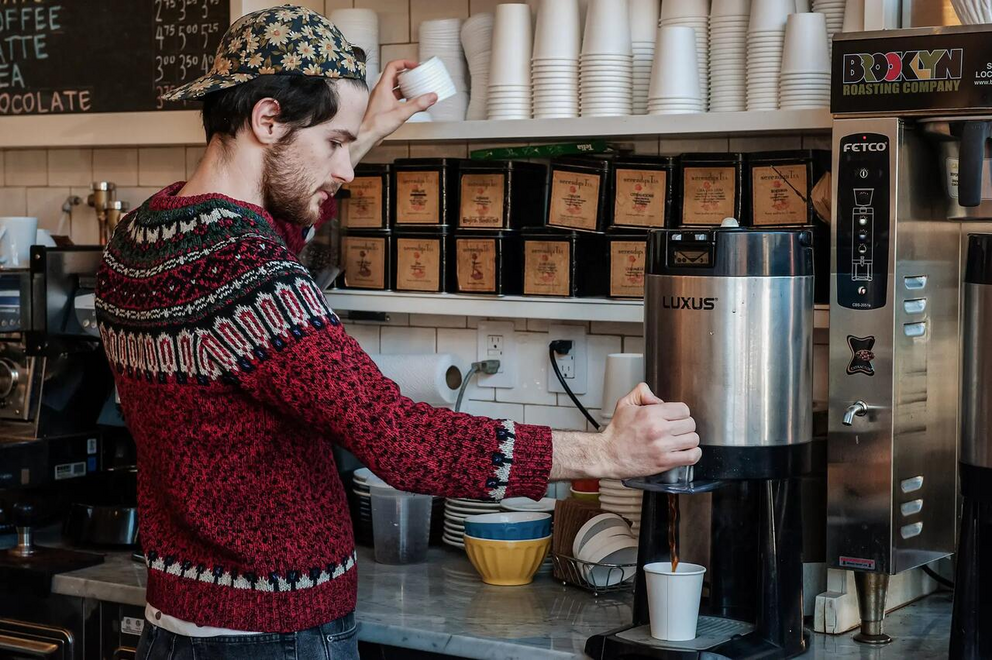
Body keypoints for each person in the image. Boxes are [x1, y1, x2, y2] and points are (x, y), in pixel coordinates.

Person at [94, 6, 700, 660]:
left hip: (176, 624)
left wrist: (363, 127)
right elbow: (403, 441)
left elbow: (263, 235)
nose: (346, 172)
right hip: (275, 637)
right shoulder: (254, 280)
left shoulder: (138, 240)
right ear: (267, 120)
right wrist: (606, 453)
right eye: (334, 144)